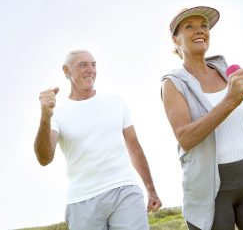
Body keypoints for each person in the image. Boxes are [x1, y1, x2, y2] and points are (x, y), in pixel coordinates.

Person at [34, 49, 162, 230]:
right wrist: (45, 116)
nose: (90, 69)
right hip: (82, 199)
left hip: (124, 189)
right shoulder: (58, 112)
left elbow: (134, 148)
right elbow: (44, 158)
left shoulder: (116, 102)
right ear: (66, 71)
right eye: (83, 65)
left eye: (93, 64)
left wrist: (151, 189)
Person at [161, 6, 243, 230]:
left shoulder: (229, 72)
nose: (199, 30)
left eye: (204, 26)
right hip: (211, 191)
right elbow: (185, 138)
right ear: (175, 40)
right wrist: (230, 101)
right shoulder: (173, 84)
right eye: (189, 26)